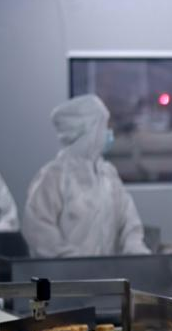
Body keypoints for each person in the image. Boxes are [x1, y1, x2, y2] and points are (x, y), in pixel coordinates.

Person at [22, 95, 150, 257]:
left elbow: (128, 220)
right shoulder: (53, 177)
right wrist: (71, 261)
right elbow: (39, 230)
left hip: (107, 272)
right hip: (65, 273)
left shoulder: (108, 174)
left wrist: (135, 248)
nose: (108, 133)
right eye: (103, 126)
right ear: (88, 131)